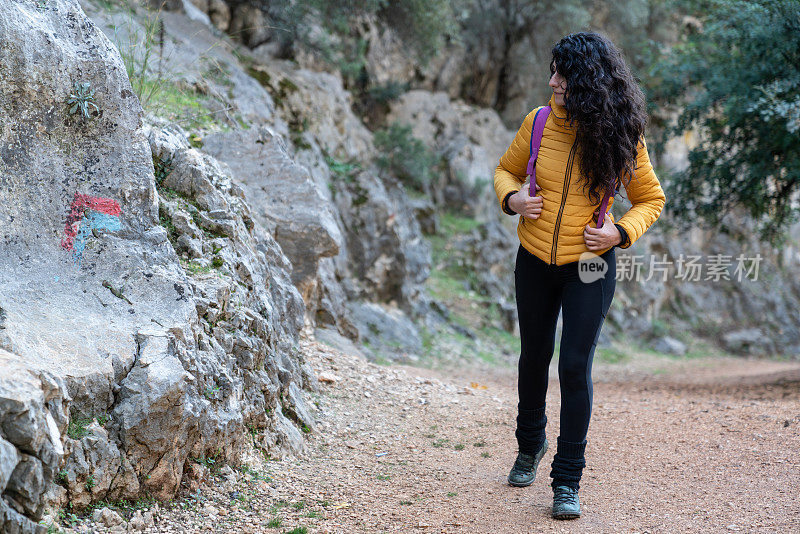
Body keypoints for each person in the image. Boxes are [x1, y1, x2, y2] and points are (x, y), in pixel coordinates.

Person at [493, 31, 666, 520]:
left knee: (573, 366)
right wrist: (514, 200)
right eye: (552, 71)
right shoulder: (540, 122)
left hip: (590, 265)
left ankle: (567, 480)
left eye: (562, 74)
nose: (552, 81)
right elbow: (505, 172)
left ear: (587, 81)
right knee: (533, 356)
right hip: (534, 258)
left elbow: (652, 200)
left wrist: (620, 232)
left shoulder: (621, 134)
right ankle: (530, 446)